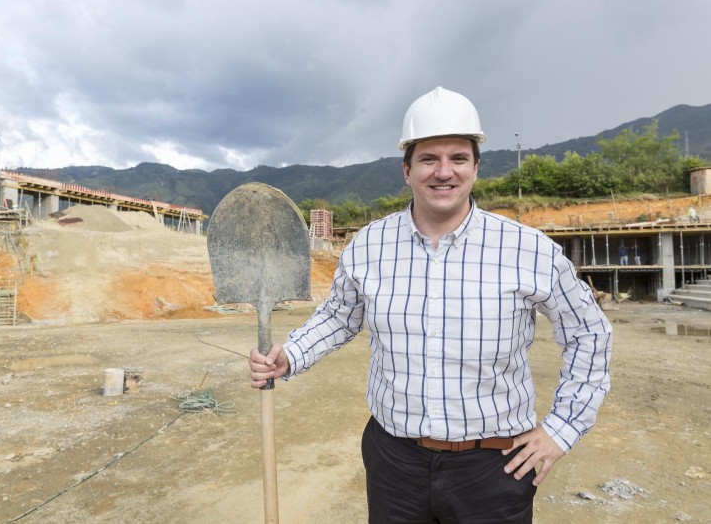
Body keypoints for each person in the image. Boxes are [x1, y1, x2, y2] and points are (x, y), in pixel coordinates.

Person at [249, 87, 612, 523]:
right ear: (407, 169)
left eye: (458, 158)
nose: (444, 172)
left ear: (476, 168)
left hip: (493, 466)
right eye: (428, 159)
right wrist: (291, 354)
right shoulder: (369, 245)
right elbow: (338, 316)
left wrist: (561, 429)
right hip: (394, 462)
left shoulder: (529, 249)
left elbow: (589, 333)